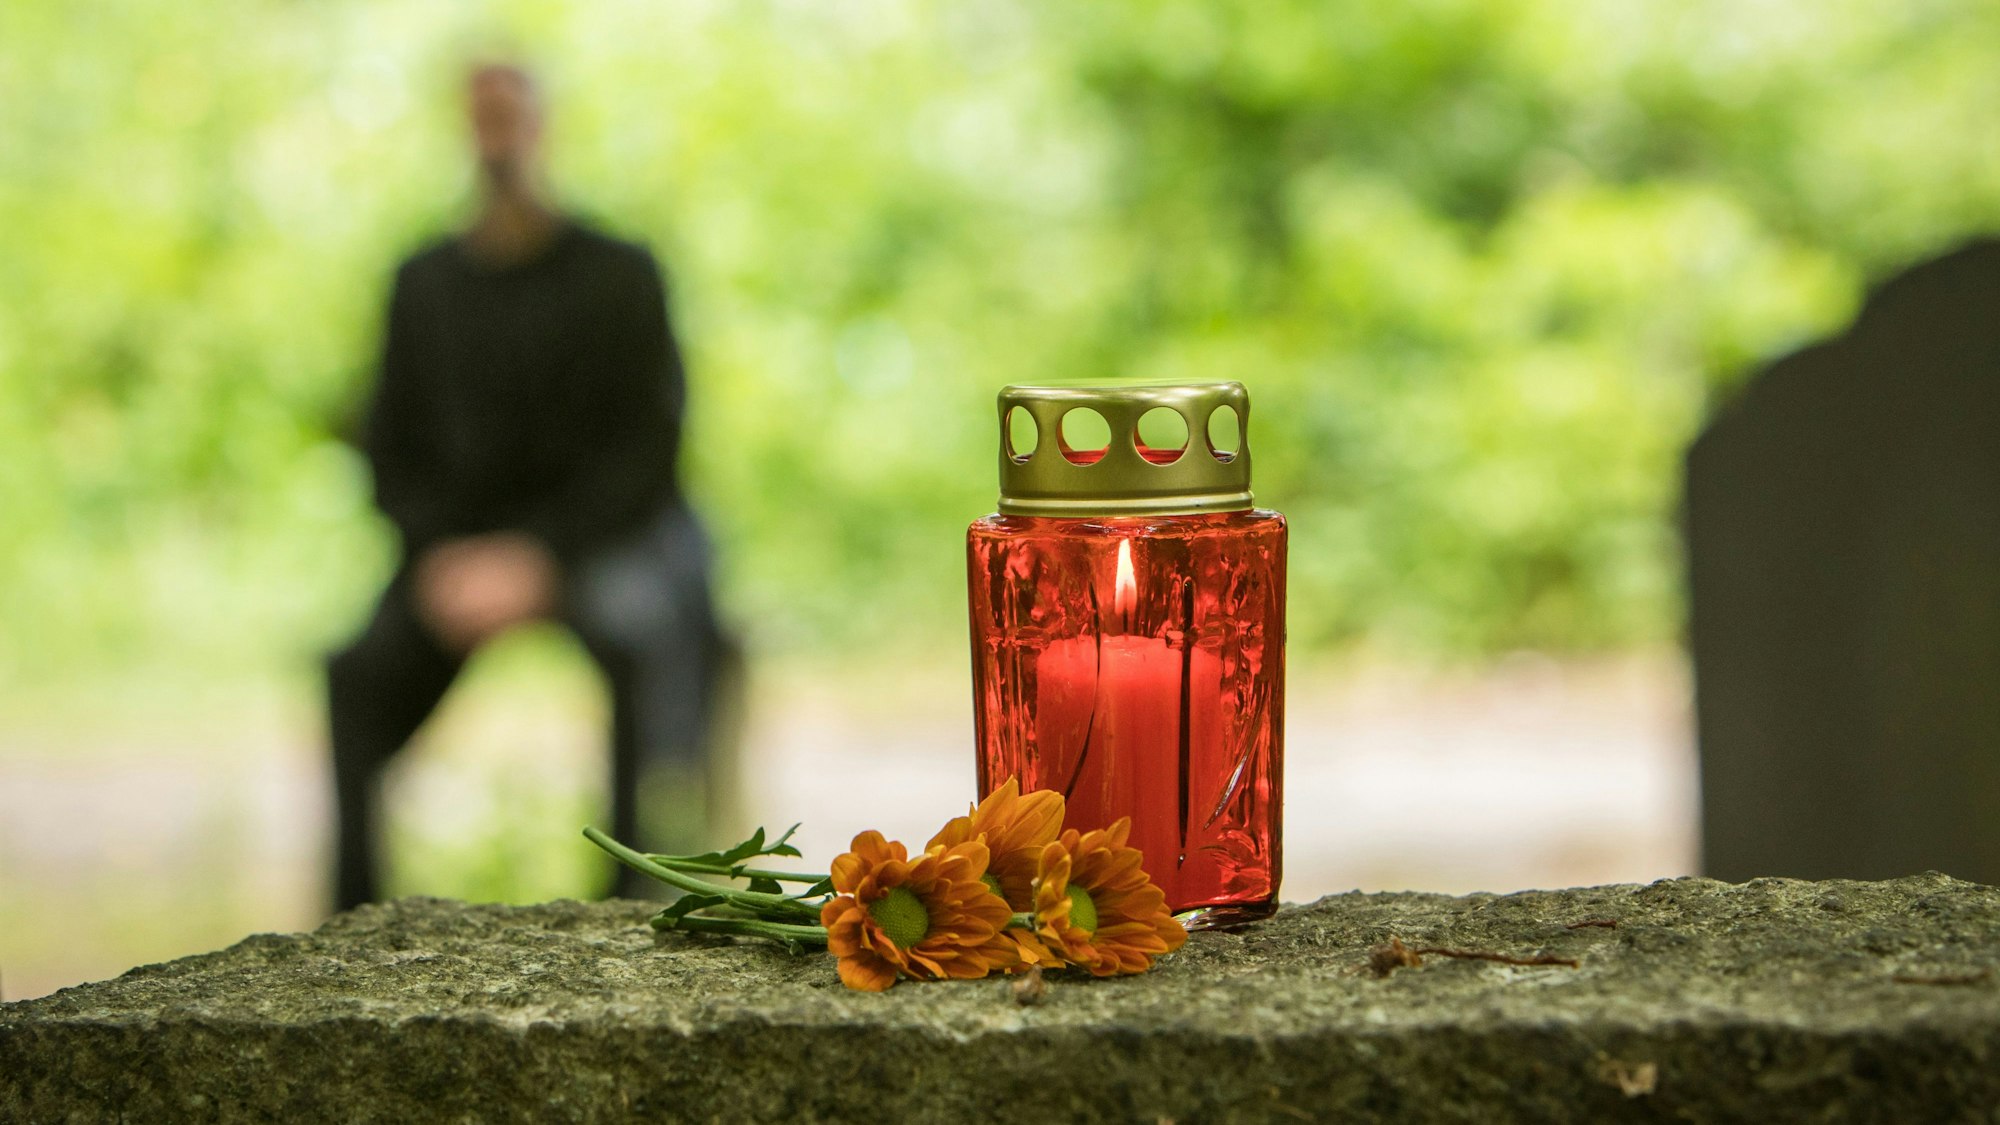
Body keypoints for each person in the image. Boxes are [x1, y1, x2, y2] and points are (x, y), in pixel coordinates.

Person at [328, 63, 728, 910]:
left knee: (642, 636)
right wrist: (443, 554)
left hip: (597, 543)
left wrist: (543, 556)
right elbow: (390, 446)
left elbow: (650, 448)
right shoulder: (422, 284)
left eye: (511, 116)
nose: (499, 138)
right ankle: (354, 914)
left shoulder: (621, 274)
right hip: (460, 555)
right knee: (357, 671)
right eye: (483, 118)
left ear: (544, 126)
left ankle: (634, 896)